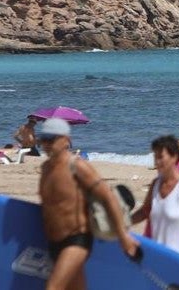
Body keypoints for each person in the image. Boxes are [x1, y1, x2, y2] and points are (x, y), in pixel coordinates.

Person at [37, 117, 138, 289]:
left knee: (53, 287)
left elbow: (108, 197)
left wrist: (123, 237)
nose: (46, 144)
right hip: (54, 242)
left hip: (76, 240)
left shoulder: (77, 166)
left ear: (66, 140)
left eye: (51, 139)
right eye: (43, 139)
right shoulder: (46, 168)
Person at [130, 135, 179, 259]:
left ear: (174, 157)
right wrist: (123, 222)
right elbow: (145, 211)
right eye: (155, 157)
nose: (156, 162)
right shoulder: (155, 184)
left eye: (160, 157)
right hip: (157, 257)